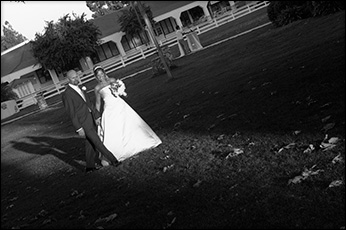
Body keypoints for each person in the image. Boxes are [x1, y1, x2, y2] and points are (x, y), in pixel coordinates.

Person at [93, 65, 162, 163]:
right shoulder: (97, 88)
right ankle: (116, 152)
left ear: (104, 73)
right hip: (109, 109)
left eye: (101, 74)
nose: (101, 77)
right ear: (96, 77)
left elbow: (119, 91)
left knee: (129, 124)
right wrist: (97, 115)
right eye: (98, 76)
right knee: (114, 129)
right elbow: (98, 103)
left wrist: (119, 90)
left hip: (120, 105)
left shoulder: (112, 80)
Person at [61, 69, 120, 173]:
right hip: (83, 122)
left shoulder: (81, 88)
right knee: (97, 141)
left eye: (76, 76)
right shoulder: (67, 94)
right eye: (73, 78)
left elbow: (89, 104)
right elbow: (72, 113)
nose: (76, 79)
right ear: (68, 79)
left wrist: (96, 116)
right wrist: (79, 128)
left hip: (91, 118)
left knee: (90, 143)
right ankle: (113, 160)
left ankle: (90, 167)